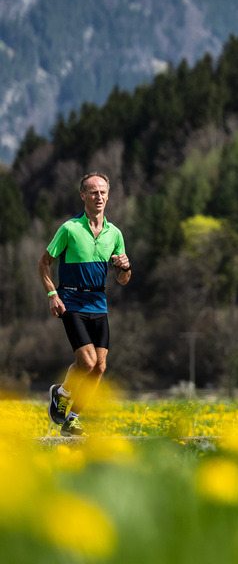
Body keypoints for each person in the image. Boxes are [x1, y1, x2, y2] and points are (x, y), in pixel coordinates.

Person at [39, 173, 131, 437]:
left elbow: (123, 280)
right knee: (88, 362)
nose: (98, 197)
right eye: (93, 192)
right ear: (83, 196)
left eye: (102, 192)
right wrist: (52, 295)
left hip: (98, 303)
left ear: (108, 195)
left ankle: (73, 418)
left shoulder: (115, 233)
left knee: (100, 367)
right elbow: (43, 263)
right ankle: (63, 392)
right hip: (71, 301)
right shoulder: (69, 229)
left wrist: (125, 267)